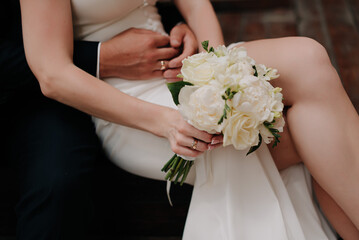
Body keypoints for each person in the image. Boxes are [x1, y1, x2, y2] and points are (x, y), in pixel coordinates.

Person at [19, 0, 359, 239]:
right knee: (315, 132)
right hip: (127, 104)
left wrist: (220, 72)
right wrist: (164, 121)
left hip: (187, 71)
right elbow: (52, 74)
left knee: (310, 57)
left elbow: (196, 5)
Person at [1, 1, 200, 239]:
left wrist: (174, 25)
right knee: (59, 182)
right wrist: (101, 56)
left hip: (111, 78)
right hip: (22, 92)